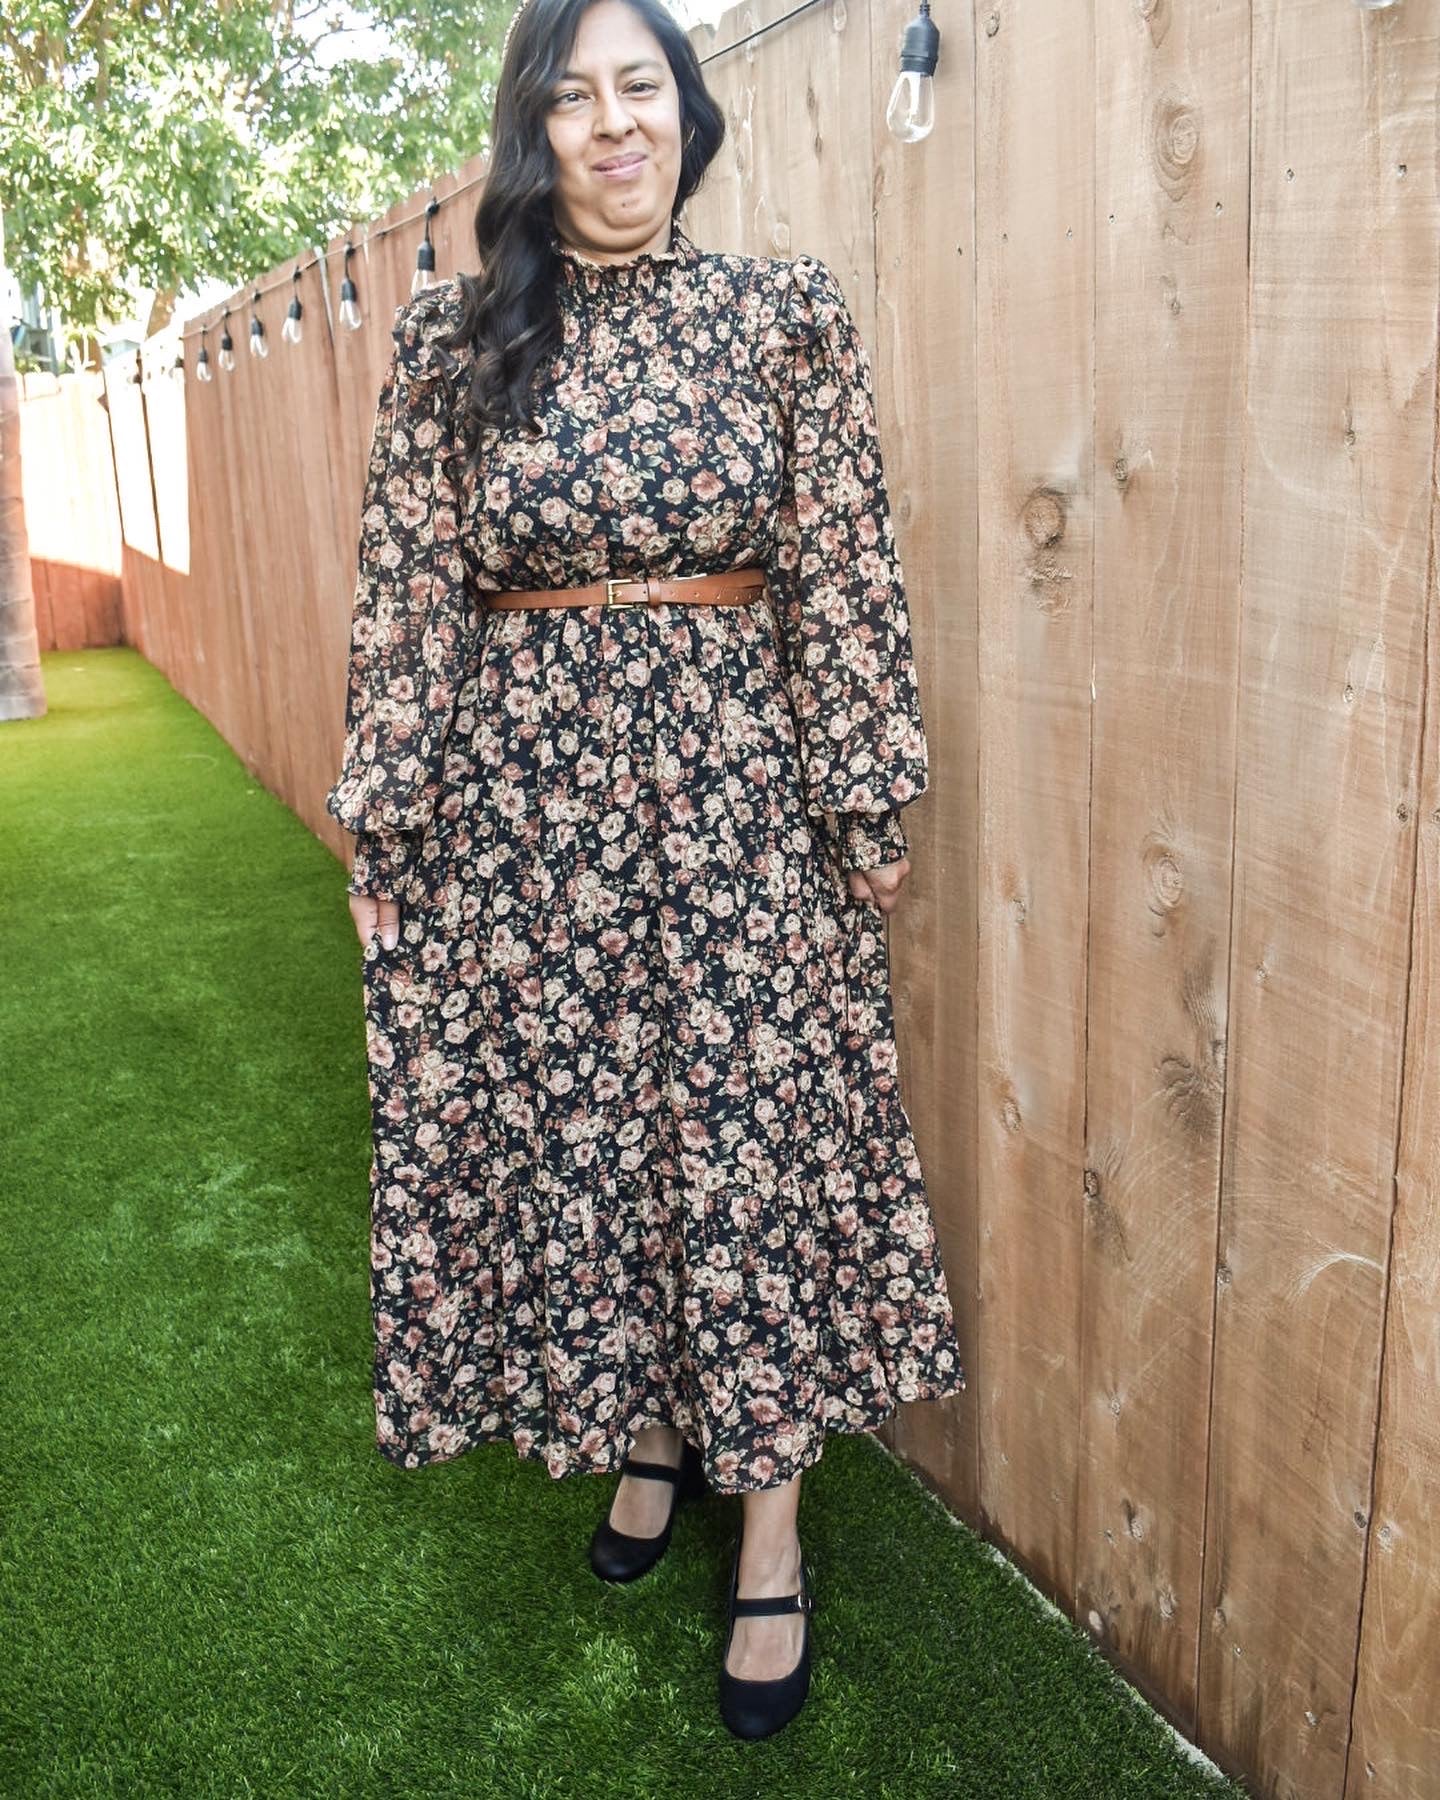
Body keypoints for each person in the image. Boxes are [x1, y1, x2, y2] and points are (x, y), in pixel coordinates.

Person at [324, 0, 966, 1741]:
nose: (615, 124)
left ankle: (772, 1533)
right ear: (532, 136)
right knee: (599, 1140)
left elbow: (845, 569)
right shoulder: (456, 340)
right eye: (574, 97)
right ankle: (654, 1429)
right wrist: (391, 810)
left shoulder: (782, 317)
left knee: (744, 1153)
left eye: (642, 89)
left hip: (741, 805)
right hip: (530, 817)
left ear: (686, 114)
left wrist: (864, 797)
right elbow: (408, 591)